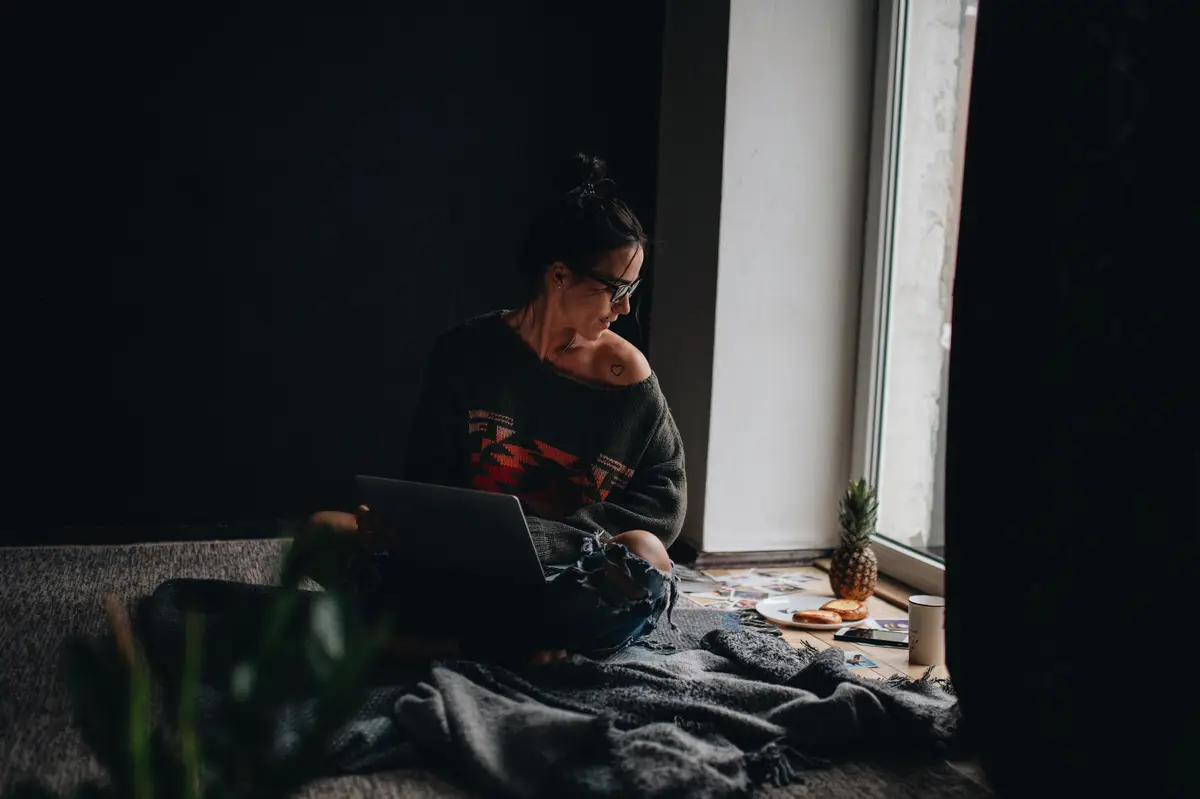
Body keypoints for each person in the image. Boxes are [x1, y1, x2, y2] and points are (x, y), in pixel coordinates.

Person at [305, 154, 687, 664]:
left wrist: (550, 542)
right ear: (559, 275)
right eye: (616, 289)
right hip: (459, 568)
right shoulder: (466, 353)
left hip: (561, 578)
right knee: (324, 529)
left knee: (645, 556)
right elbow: (428, 477)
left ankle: (441, 644)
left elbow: (664, 502)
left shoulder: (630, 381)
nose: (625, 308)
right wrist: (392, 525)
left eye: (632, 289)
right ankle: (510, 646)